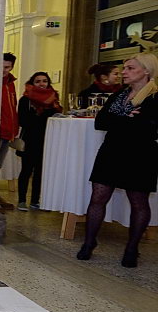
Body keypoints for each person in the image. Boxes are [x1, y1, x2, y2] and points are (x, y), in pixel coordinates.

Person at [76, 53, 158, 268]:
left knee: (138, 202)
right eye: (124, 68)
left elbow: (147, 127)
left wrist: (121, 121)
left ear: (146, 71)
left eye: (130, 68)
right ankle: (89, 243)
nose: (124, 72)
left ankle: (132, 248)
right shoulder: (120, 94)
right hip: (111, 151)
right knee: (98, 197)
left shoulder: (155, 98)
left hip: (141, 155)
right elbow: (100, 122)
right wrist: (127, 119)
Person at [15, 72, 62, 211]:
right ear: (32, 83)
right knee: (26, 170)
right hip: (30, 139)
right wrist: (41, 118)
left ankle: (35, 200)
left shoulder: (53, 98)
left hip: (47, 139)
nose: (42, 84)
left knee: (40, 172)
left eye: (44, 81)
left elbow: (56, 116)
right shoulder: (26, 99)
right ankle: (22, 200)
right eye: (38, 81)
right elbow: (23, 120)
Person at [0, 53, 19, 210]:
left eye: (7, 67)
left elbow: (13, 107)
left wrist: (14, 128)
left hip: (8, 131)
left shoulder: (10, 84)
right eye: (2, 66)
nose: (4, 70)